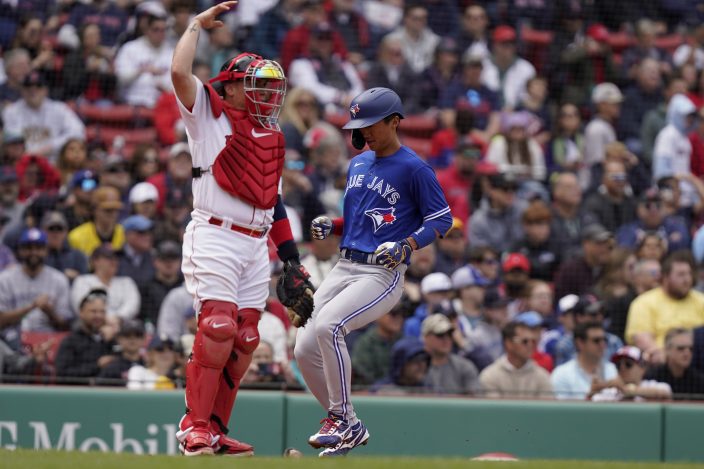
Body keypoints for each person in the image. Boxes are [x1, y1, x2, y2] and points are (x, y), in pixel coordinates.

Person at [170, 2, 310, 457]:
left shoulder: (270, 136)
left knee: (247, 338)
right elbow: (177, 73)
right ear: (229, 88)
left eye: (271, 87)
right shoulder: (206, 116)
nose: (267, 94)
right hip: (214, 233)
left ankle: (215, 429)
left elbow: (275, 202)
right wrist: (194, 27)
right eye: (257, 86)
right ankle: (193, 427)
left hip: (254, 245)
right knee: (217, 328)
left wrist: (290, 258)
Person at [294, 86, 452, 457]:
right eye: (359, 124)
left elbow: (442, 218)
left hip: (382, 274)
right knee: (303, 347)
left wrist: (407, 245)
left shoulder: (414, 167)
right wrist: (332, 225)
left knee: (329, 324)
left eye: (371, 124)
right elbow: (358, 218)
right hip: (346, 263)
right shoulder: (359, 163)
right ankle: (344, 420)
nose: (364, 131)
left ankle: (343, 420)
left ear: (395, 122)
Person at [625, 251, 704, 364]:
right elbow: (641, 338)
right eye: (681, 275)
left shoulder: (701, 300)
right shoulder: (644, 302)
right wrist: (666, 357)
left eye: (689, 274)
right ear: (665, 277)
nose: (687, 280)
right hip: (663, 364)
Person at [0, 228, 72, 352]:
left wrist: (49, 311)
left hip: (49, 337)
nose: (33, 252)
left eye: (38, 248)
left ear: (46, 251)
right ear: (20, 251)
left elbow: (65, 325)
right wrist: (31, 307)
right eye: (28, 248)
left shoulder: (59, 279)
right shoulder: (5, 278)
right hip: (12, 339)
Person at [1, 71, 85, 159]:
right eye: (28, 87)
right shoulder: (12, 111)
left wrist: (51, 146)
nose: (33, 91)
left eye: (38, 86)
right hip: (22, 161)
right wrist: (33, 154)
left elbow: (79, 131)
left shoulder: (59, 108)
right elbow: (12, 141)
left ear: (46, 90)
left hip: (53, 161)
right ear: (22, 90)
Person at [54, 288, 117, 384]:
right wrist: (97, 365)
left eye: (102, 312)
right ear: (81, 313)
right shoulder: (70, 341)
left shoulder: (110, 339)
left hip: (110, 393)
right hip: (79, 393)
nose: (98, 316)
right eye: (93, 311)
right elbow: (62, 374)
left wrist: (115, 338)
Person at [479, 320, 553, 398]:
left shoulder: (542, 376)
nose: (530, 345)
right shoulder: (490, 376)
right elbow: (494, 409)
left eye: (533, 341)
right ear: (508, 343)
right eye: (525, 341)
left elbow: (546, 409)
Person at [551, 321, 618, 400]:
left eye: (604, 340)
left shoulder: (611, 368)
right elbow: (562, 411)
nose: (602, 344)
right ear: (580, 343)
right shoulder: (561, 374)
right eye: (596, 340)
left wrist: (624, 392)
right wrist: (589, 397)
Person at [71, 245, 141, 320]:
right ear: (95, 261)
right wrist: (107, 320)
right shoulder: (82, 281)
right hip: (92, 327)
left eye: (116, 258)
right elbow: (81, 307)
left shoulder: (126, 282)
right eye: (108, 258)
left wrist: (117, 319)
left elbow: (133, 305)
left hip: (122, 326)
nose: (114, 261)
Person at [421, 314, 480, 395]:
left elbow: (474, 401)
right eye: (440, 335)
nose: (446, 340)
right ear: (426, 337)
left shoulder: (464, 367)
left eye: (449, 334)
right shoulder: (415, 366)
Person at [590, 346, 672, 402]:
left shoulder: (652, 385)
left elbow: (665, 393)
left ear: (642, 368)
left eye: (628, 364)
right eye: (618, 365)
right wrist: (594, 391)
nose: (622, 368)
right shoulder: (611, 391)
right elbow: (591, 403)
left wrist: (627, 389)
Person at [351, 302, 404, 386]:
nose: (398, 318)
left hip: (402, 392)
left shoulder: (403, 341)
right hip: (373, 394)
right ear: (378, 315)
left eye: (401, 314)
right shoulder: (366, 343)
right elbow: (365, 376)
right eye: (393, 314)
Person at [644, 328, 704, 399]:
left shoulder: (699, 381)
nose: (687, 353)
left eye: (691, 349)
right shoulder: (651, 377)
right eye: (681, 348)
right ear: (667, 350)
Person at [96, 319, 146, 386]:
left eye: (137, 335)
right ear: (119, 339)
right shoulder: (111, 368)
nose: (132, 339)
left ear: (144, 339)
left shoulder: (149, 365)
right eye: (127, 335)